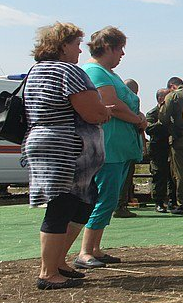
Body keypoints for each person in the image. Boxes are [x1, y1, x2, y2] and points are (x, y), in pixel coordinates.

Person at [23, 22, 111, 289]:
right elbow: (92, 113)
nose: (79, 51)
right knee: (62, 206)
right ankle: (48, 272)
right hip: (66, 147)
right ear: (61, 46)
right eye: (75, 44)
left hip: (44, 142)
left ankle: (57, 263)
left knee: (80, 202)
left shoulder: (35, 72)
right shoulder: (67, 72)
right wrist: (104, 112)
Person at [75, 26, 147, 269]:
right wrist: (137, 119)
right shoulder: (95, 72)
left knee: (109, 197)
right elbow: (111, 104)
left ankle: (95, 247)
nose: (122, 54)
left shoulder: (109, 73)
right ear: (107, 47)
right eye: (120, 48)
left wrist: (138, 117)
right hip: (108, 148)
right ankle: (85, 251)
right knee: (104, 197)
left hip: (118, 147)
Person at [160, 76, 183, 215]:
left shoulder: (173, 96)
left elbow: (163, 118)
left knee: (181, 172)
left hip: (180, 138)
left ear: (172, 86)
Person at [114, 77, 143, 218]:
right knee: (125, 177)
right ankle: (120, 206)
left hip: (115, 145)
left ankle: (117, 204)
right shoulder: (132, 102)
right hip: (127, 145)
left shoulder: (118, 100)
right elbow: (139, 124)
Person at [145, 88, 175, 212]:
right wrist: (162, 123)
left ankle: (172, 201)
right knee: (159, 175)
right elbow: (148, 129)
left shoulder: (173, 113)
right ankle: (158, 202)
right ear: (160, 99)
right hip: (158, 148)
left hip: (171, 147)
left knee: (172, 175)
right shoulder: (153, 113)